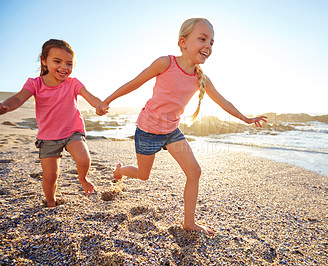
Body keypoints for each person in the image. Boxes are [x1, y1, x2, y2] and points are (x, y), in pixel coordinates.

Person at [97, 18, 267, 235]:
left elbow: (223, 102)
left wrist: (246, 118)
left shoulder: (200, 78)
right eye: (203, 39)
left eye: (212, 43)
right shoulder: (165, 63)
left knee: (195, 171)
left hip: (171, 133)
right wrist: (107, 101)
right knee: (143, 174)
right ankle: (119, 170)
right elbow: (135, 82)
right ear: (183, 42)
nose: (208, 46)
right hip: (148, 131)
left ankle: (189, 222)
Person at [0, 39, 102, 207]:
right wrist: (5, 106)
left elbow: (91, 97)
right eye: (57, 61)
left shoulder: (73, 83)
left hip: (72, 131)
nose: (64, 67)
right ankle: (50, 202)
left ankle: (83, 178)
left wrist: (99, 105)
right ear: (44, 60)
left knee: (84, 159)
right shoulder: (35, 83)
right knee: (50, 176)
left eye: (69, 63)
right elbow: (18, 98)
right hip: (48, 137)